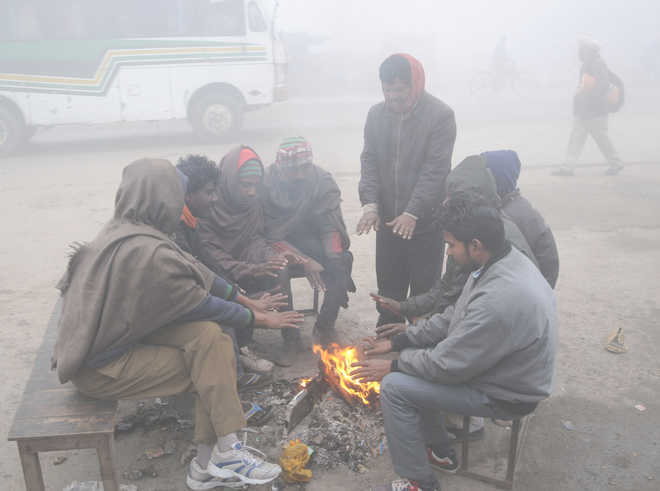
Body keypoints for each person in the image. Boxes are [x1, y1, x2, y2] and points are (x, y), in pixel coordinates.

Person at [52, 159, 304, 489]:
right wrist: (260, 319)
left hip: (115, 335)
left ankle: (212, 461)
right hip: (100, 367)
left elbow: (200, 272)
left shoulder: (129, 228)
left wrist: (247, 301)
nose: (180, 201)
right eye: (178, 194)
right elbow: (199, 301)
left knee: (211, 340)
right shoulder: (146, 250)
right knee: (212, 367)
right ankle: (218, 456)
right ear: (163, 197)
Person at [352, 199, 557, 491]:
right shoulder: (502, 261)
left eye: (450, 245)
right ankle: (441, 452)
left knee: (395, 387)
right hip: (504, 367)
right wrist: (401, 340)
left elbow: (445, 366)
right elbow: (454, 316)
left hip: (509, 392)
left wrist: (392, 366)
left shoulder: (499, 298)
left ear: (475, 244)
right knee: (411, 360)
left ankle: (419, 483)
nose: (448, 252)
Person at [371, 153, 538, 324]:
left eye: (452, 197)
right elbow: (447, 288)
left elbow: (466, 314)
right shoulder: (467, 233)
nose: (445, 203)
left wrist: (421, 326)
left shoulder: (496, 242)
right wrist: (403, 307)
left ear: (472, 200)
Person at [357, 53, 456, 327]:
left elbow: (435, 170)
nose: (393, 97)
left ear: (416, 84)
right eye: (387, 90)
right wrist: (371, 205)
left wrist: (413, 212)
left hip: (425, 223)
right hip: (389, 223)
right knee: (389, 292)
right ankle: (386, 346)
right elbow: (369, 160)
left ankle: (420, 355)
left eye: (400, 90)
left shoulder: (440, 116)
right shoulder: (376, 115)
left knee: (425, 294)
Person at [198, 146, 320, 365]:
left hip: (245, 257)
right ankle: (243, 343)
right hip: (217, 269)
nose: (252, 192)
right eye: (245, 185)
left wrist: (276, 255)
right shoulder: (208, 204)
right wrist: (253, 269)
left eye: (255, 185)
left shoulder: (252, 202)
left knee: (278, 265)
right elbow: (213, 259)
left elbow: (256, 238)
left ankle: (290, 338)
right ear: (230, 180)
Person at [175, 154, 280, 378]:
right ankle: (235, 377)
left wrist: (240, 295)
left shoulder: (189, 221)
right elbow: (195, 284)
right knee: (225, 318)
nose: (215, 199)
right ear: (188, 195)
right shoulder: (175, 230)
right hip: (174, 310)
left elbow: (208, 266)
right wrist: (248, 309)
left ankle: (238, 354)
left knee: (241, 298)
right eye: (209, 192)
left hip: (199, 290)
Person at [263, 137, 356, 346]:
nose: (300, 175)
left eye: (305, 168)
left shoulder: (321, 180)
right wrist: (303, 261)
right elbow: (268, 235)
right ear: (281, 169)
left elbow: (329, 225)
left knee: (341, 261)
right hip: (277, 244)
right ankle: (290, 333)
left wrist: (333, 258)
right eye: (293, 171)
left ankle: (325, 325)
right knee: (280, 269)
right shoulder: (266, 182)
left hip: (312, 239)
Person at [483, 149, 559, 287]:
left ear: (495, 178)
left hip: (526, 285)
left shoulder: (512, 215)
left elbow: (548, 262)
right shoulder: (512, 205)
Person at [555, 38, 624, 176]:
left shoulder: (597, 64)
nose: (579, 53)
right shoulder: (589, 64)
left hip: (594, 110)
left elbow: (602, 85)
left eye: (582, 50)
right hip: (586, 110)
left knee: (599, 137)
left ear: (589, 51)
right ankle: (568, 167)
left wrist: (590, 100)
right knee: (577, 137)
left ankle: (616, 163)